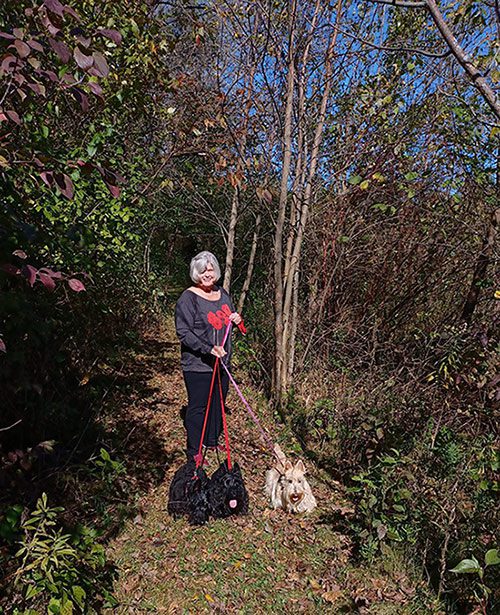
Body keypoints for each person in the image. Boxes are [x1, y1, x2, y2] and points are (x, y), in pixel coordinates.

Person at [175, 251, 243, 461]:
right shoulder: (188, 298)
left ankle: (211, 440)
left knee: (218, 402)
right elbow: (183, 332)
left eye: (211, 269)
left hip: (222, 362)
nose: (207, 274)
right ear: (196, 273)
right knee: (198, 406)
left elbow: (230, 321)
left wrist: (237, 320)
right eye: (203, 270)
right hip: (198, 364)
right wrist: (208, 348)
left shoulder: (222, 293)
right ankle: (194, 451)